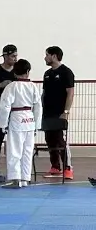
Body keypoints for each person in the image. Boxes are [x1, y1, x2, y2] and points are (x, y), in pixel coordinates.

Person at [0, 59, 42, 189]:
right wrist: (37, 125)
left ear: (14, 72)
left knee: (14, 150)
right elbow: (38, 106)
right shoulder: (33, 86)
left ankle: (15, 178)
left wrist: (3, 123)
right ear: (28, 72)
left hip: (17, 118)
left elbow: (5, 106)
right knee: (27, 151)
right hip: (29, 119)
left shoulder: (11, 87)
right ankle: (25, 178)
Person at [42, 46, 75, 180]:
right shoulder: (47, 74)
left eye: (47, 55)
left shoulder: (66, 72)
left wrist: (66, 111)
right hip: (47, 113)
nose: (45, 58)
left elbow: (70, 93)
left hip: (59, 112)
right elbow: (44, 94)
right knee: (50, 140)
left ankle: (67, 168)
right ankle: (55, 166)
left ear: (54, 56)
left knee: (60, 141)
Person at [0, 44, 18, 182]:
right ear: (5, 56)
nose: (15, 59)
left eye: (16, 56)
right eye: (12, 56)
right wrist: (0, 85)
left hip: (16, 110)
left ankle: (16, 172)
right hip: (0, 109)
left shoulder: (18, 70)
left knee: (16, 141)